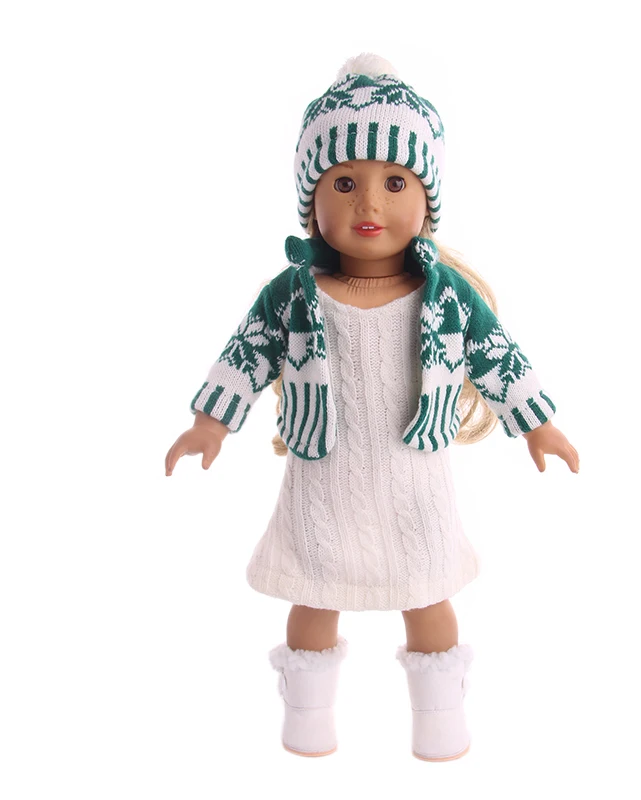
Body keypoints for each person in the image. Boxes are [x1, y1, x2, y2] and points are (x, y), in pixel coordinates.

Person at [165, 52, 579, 762]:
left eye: (394, 182)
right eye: (344, 182)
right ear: (312, 201)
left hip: (415, 481)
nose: (369, 205)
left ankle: (440, 717)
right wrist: (210, 423)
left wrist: (537, 424)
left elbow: (496, 354)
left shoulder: (445, 296)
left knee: (428, 593)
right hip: (323, 482)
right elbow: (247, 352)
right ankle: (307, 718)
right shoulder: (293, 294)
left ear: (426, 199)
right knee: (313, 593)